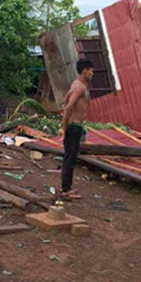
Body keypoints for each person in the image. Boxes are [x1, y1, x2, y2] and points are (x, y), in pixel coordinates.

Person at [58, 59, 94, 200]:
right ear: (84, 71)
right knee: (70, 158)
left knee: (70, 157)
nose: (92, 73)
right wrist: (64, 127)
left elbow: (66, 99)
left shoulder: (76, 84)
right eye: (90, 70)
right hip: (73, 126)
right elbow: (68, 107)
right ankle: (66, 189)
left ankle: (66, 186)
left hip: (75, 126)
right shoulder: (80, 87)